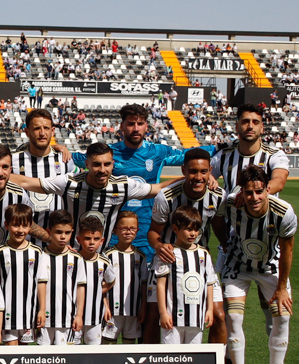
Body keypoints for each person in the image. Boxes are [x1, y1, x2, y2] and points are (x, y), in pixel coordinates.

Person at [70, 103, 215, 260]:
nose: (136, 128)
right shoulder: (108, 154)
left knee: (146, 282)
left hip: (149, 232)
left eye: (140, 124)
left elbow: (190, 156)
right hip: (115, 233)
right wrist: (60, 149)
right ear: (122, 126)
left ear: (147, 126)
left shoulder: (158, 152)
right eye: (131, 124)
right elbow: (71, 158)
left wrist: (203, 173)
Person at [210, 103, 290, 349]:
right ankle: (228, 361)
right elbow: (207, 177)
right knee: (228, 310)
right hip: (232, 243)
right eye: (245, 121)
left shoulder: (274, 155)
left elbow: (279, 180)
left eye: (255, 122)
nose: (250, 126)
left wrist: (253, 195)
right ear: (237, 126)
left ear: (262, 126)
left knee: (271, 306)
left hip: (265, 240)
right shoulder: (223, 155)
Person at [220, 165, 297, 364]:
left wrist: (282, 287)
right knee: (233, 317)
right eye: (249, 192)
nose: (254, 197)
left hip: (269, 267)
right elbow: (215, 216)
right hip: (238, 265)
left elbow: (288, 251)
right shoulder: (232, 203)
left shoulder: (284, 212)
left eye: (259, 191)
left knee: (282, 316)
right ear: (241, 191)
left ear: (268, 190)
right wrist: (225, 243)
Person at [11, 142, 173, 252]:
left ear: (113, 164)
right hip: (70, 256)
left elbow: (157, 188)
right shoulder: (69, 183)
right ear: (87, 164)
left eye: (107, 164)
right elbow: (26, 181)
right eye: (96, 164)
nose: (102, 170)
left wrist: (190, 178)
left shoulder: (123, 185)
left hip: (101, 258)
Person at [148, 147, 227, 345]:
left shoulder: (218, 196)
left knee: (218, 316)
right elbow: (153, 231)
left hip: (200, 263)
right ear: (183, 170)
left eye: (203, 171)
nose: (198, 177)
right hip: (168, 261)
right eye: (193, 171)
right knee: (152, 317)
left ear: (210, 171)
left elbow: (218, 226)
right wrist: (159, 247)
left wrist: (229, 247)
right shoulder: (166, 197)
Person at [154, 206, 216, 345]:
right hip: (173, 318)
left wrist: (210, 309)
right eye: (188, 229)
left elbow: (210, 283)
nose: (193, 234)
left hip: (196, 316)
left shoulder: (204, 254)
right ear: (175, 229)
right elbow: (161, 284)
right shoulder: (169, 252)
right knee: (171, 357)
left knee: (193, 357)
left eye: (195, 230)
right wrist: (163, 312)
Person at [12, 108, 76, 238]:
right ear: (27, 132)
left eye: (46, 128)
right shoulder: (13, 161)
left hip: (58, 241)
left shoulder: (65, 160)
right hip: (23, 240)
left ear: (52, 131)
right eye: (36, 129)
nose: (42, 133)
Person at [0, 204, 46, 346]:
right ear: (7, 225)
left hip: (29, 312)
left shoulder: (37, 252)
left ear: (30, 227)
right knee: (10, 353)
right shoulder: (0, 252)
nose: (20, 230)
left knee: (23, 354)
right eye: (15, 225)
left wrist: (42, 309)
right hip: (8, 312)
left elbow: (41, 281)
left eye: (25, 226)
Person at [35, 209, 84, 346]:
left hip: (68, 318)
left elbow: (81, 287)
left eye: (67, 233)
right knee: (44, 359)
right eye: (58, 232)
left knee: (67, 360)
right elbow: (41, 284)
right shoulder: (41, 256)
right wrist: (41, 310)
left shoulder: (76, 259)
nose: (63, 236)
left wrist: (79, 315)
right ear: (49, 231)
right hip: (46, 319)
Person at [103, 211, 147, 344]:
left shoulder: (140, 256)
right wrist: (105, 306)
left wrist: (143, 307)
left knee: (129, 346)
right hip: (112, 311)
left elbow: (144, 283)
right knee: (108, 345)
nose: (128, 232)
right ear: (115, 230)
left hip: (133, 310)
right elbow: (103, 283)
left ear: (137, 230)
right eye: (124, 228)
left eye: (132, 228)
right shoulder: (108, 256)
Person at [74, 216, 116, 345]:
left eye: (96, 239)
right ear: (79, 239)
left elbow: (111, 280)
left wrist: (99, 290)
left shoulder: (104, 262)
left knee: (93, 352)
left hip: (95, 316)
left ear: (102, 240)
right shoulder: (73, 259)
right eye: (87, 238)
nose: (92, 242)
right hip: (73, 316)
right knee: (71, 352)